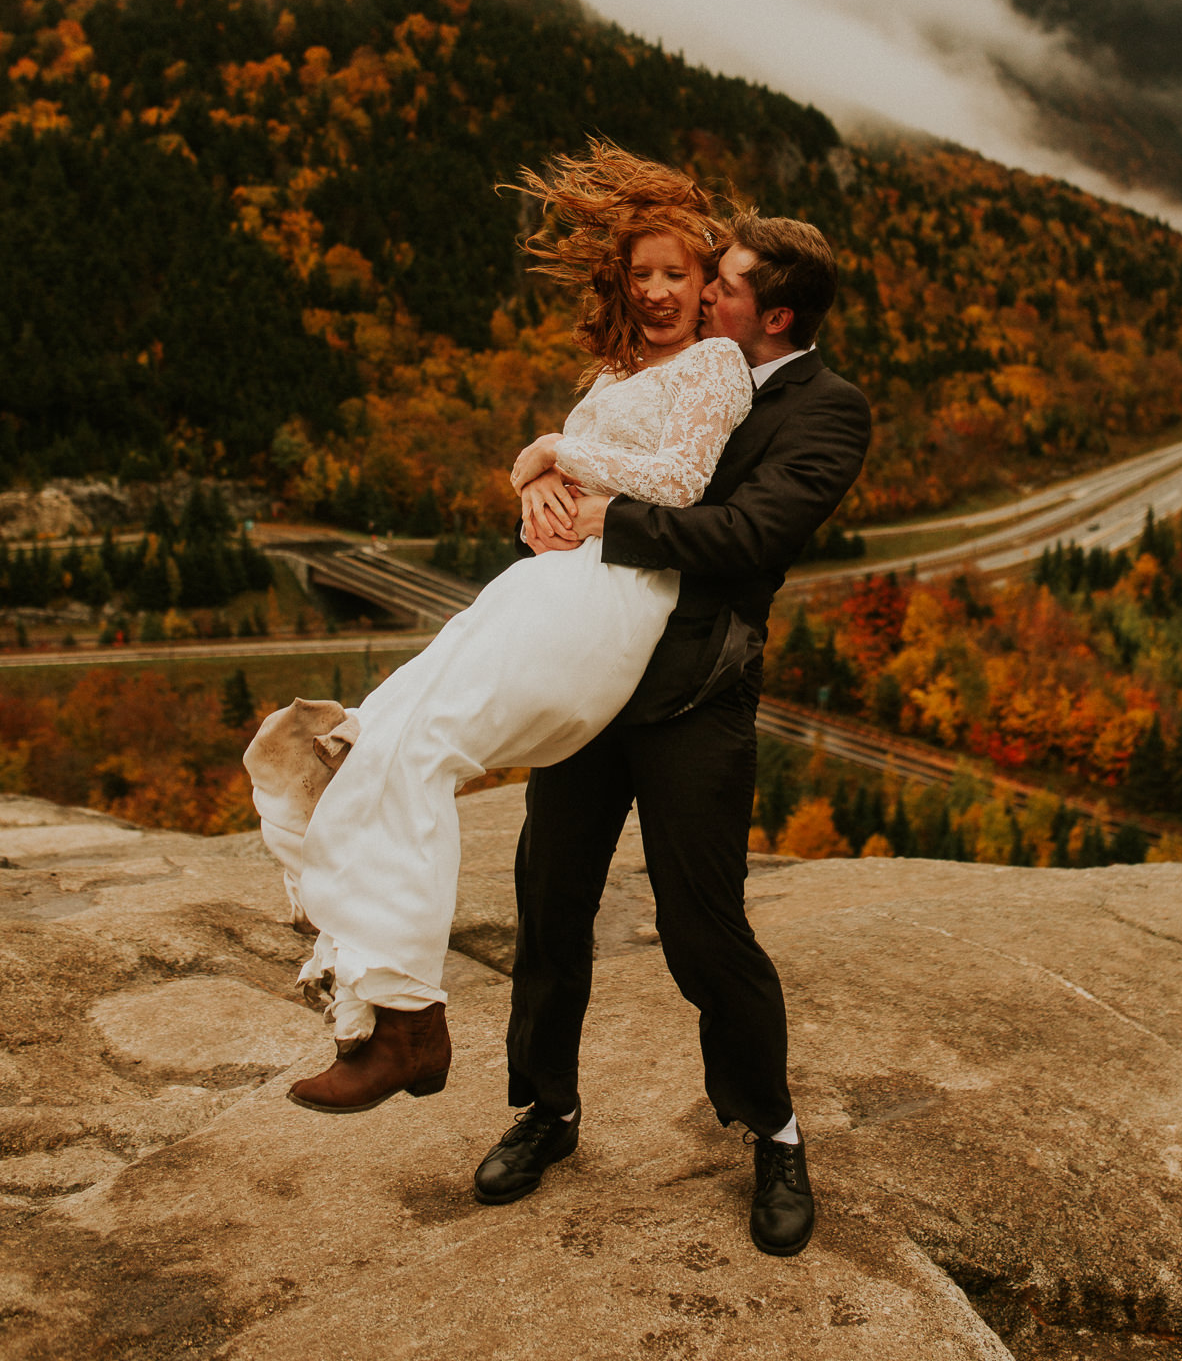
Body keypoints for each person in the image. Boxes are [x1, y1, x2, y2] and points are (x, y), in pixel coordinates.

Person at [259, 144, 758, 1114]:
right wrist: (535, 488)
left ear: (706, 287)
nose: (658, 291)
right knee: (344, 745)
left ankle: (411, 1025)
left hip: (613, 597)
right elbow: (574, 485)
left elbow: (681, 482)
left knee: (417, 749)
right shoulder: (611, 371)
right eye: (642, 273)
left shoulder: (714, 365)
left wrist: (550, 447)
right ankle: (366, 1011)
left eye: (677, 274)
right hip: (548, 579)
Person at [473, 212, 871, 1258]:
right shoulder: (685, 368)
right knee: (549, 894)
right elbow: (597, 455)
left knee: (703, 926)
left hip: (697, 685)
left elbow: (752, 534)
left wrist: (609, 512)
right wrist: (549, 492)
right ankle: (546, 1109)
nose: (702, 298)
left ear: (774, 311)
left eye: (726, 286)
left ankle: (773, 1129)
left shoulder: (828, 408)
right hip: (589, 673)